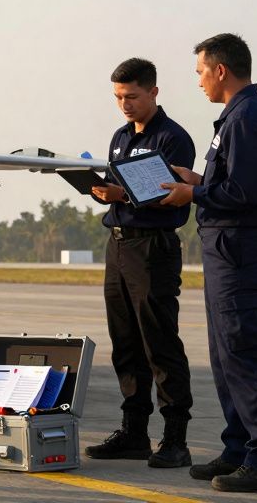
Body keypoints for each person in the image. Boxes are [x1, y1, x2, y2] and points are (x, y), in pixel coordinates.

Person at [159, 33, 257, 494]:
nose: (198, 81)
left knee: (246, 352)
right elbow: (235, 181)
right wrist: (199, 179)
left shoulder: (248, 118)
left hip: (242, 248)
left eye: (200, 71)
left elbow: (246, 193)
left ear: (220, 70)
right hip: (227, 248)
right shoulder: (241, 116)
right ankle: (240, 447)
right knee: (224, 354)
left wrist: (192, 193)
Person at [84, 58, 195, 468]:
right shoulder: (119, 137)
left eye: (131, 96)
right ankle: (134, 434)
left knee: (159, 343)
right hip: (118, 246)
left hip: (152, 249)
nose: (124, 105)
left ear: (153, 92)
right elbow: (124, 185)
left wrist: (122, 196)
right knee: (126, 344)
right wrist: (104, 192)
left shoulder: (173, 139)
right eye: (118, 97)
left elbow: (167, 193)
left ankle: (175, 439)